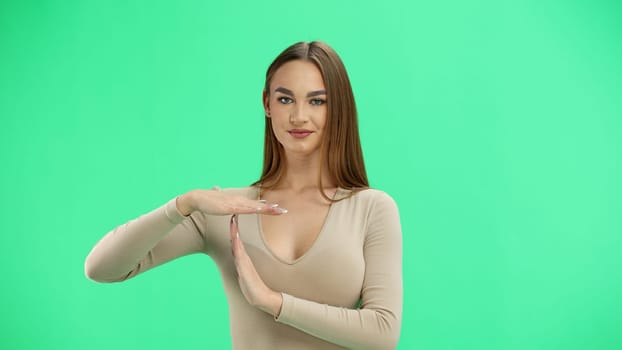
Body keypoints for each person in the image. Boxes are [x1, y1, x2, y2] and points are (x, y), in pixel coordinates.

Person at [84, 41, 403, 350]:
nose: (299, 116)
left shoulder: (372, 209)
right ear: (266, 103)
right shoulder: (225, 210)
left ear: (338, 108)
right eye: (285, 99)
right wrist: (183, 205)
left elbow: (383, 333)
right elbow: (101, 268)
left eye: (317, 101)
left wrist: (272, 302)